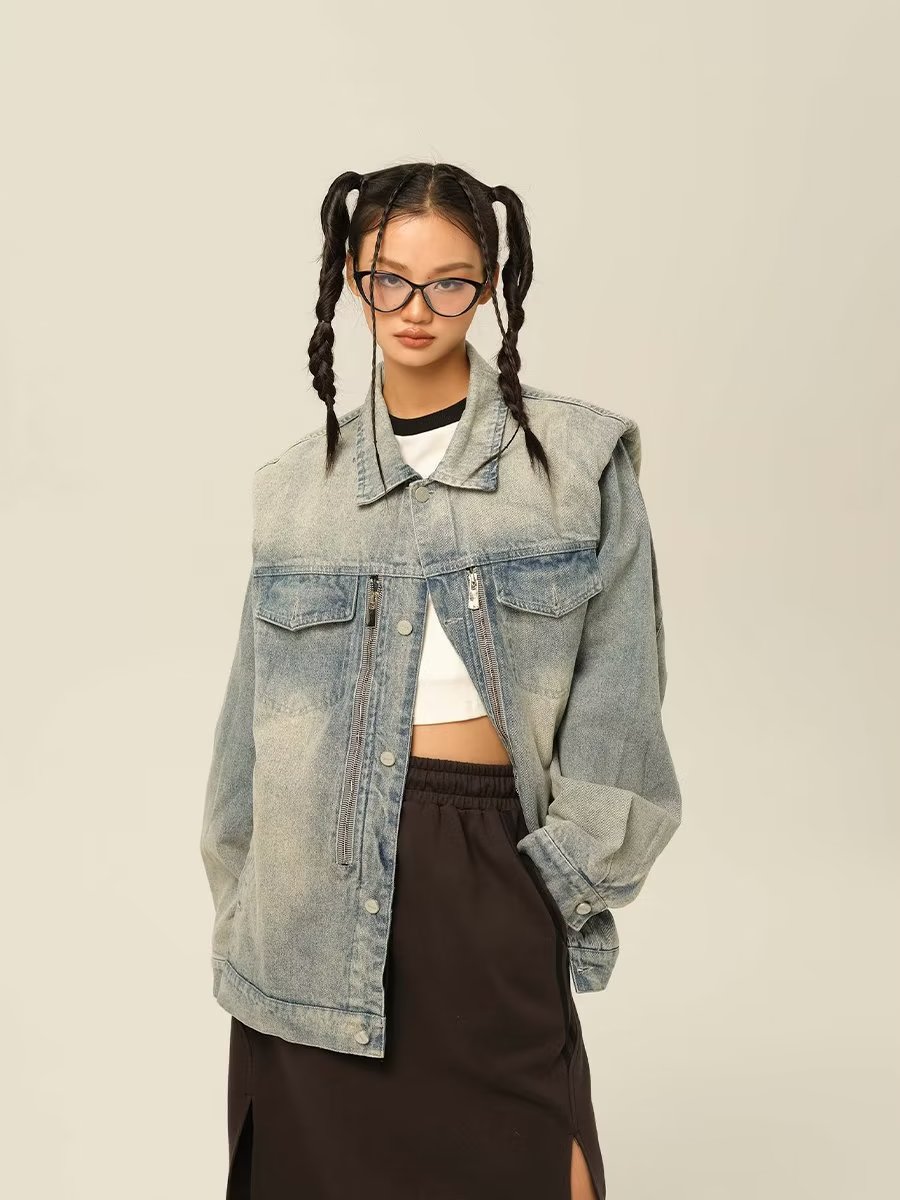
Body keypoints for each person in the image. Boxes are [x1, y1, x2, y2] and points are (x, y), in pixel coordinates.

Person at [200, 160, 682, 1199]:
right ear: (351, 278)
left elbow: (621, 703)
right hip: (306, 905)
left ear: (491, 285)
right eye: (390, 280)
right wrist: (246, 908)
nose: (417, 309)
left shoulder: (576, 466)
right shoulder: (294, 491)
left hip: (487, 873)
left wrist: (560, 881)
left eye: (451, 282)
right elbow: (248, 733)